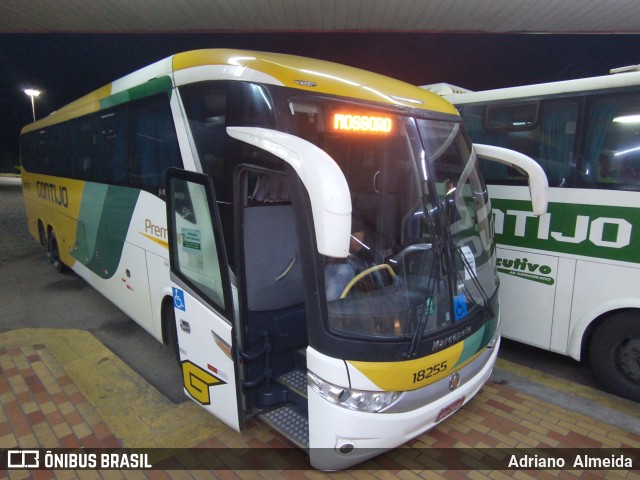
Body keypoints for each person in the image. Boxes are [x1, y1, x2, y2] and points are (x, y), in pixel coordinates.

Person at [324, 215, 367, 301]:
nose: (359, 240)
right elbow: (332, 300)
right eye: (355, 237)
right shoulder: (343, 269)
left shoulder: (360, 255)